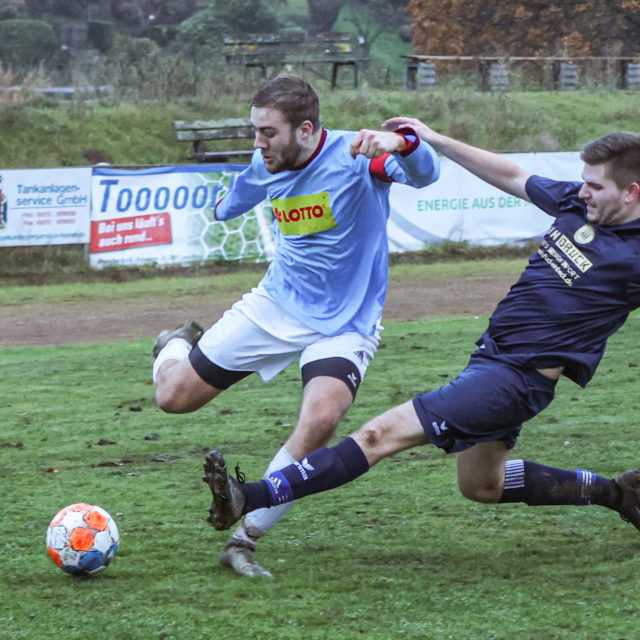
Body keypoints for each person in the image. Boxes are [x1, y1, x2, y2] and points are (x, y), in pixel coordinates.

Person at [203, 119, 640, 546]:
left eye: (595, 186)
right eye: (583, 182)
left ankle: (251, 496)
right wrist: (435, 139)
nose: (583, 191)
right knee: (482, 486)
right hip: (492, 360)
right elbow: (513, 174)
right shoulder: (576, 205)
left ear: (631, 192)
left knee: (378, 435)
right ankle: (620, 494)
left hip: (514, 380)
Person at [152, 78, 441, 577]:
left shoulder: (359, 155)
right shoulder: (267, 163)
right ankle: (173, 343)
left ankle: (243, 539)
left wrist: (405, 143)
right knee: (172, 398)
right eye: (254, 131)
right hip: (275, 307)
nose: (257, 143)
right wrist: (220, 210)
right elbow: (236, 198)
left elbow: (426, 175)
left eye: (267, 132)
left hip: (346, 323)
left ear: (305, 129)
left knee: (322, 420)